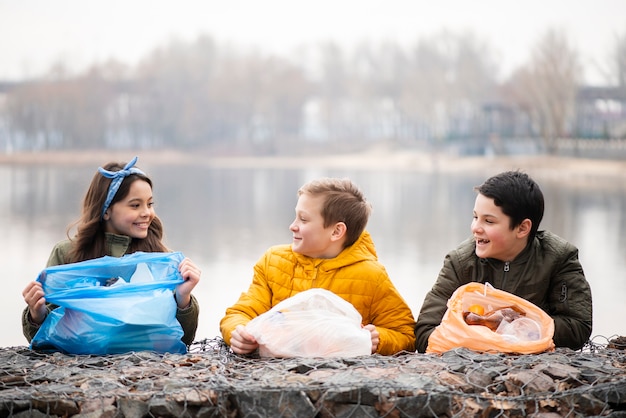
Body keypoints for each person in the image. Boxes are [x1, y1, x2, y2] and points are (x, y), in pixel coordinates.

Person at [220, 177, 416, 356]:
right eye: (296, 216)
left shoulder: (371, 276)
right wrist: (238, 332)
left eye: (303, 219)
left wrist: (380, 339)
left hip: (340, 378)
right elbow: (240, 313)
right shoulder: (273, 261)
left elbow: (406, 335)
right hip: (278, 373)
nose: (293, 226)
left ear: (336, 231)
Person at [22, 156, 201, 347]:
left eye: (149, 204)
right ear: (106, 210)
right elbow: (43, 338)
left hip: (144, 367)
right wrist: (36, 313)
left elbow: (183, 339)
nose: (147, 213)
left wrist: (184, 299)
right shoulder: (68, 255)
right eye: (135, 205)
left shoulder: (161, 260)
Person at [414, 170, 593, 353]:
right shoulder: (460, 262)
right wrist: (480, 334)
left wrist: (514, 325)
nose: (476, 228)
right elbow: (424, 333)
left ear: (522, 228)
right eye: (476, 217)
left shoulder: (559, 258)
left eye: (489, 221)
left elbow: (578, 328)